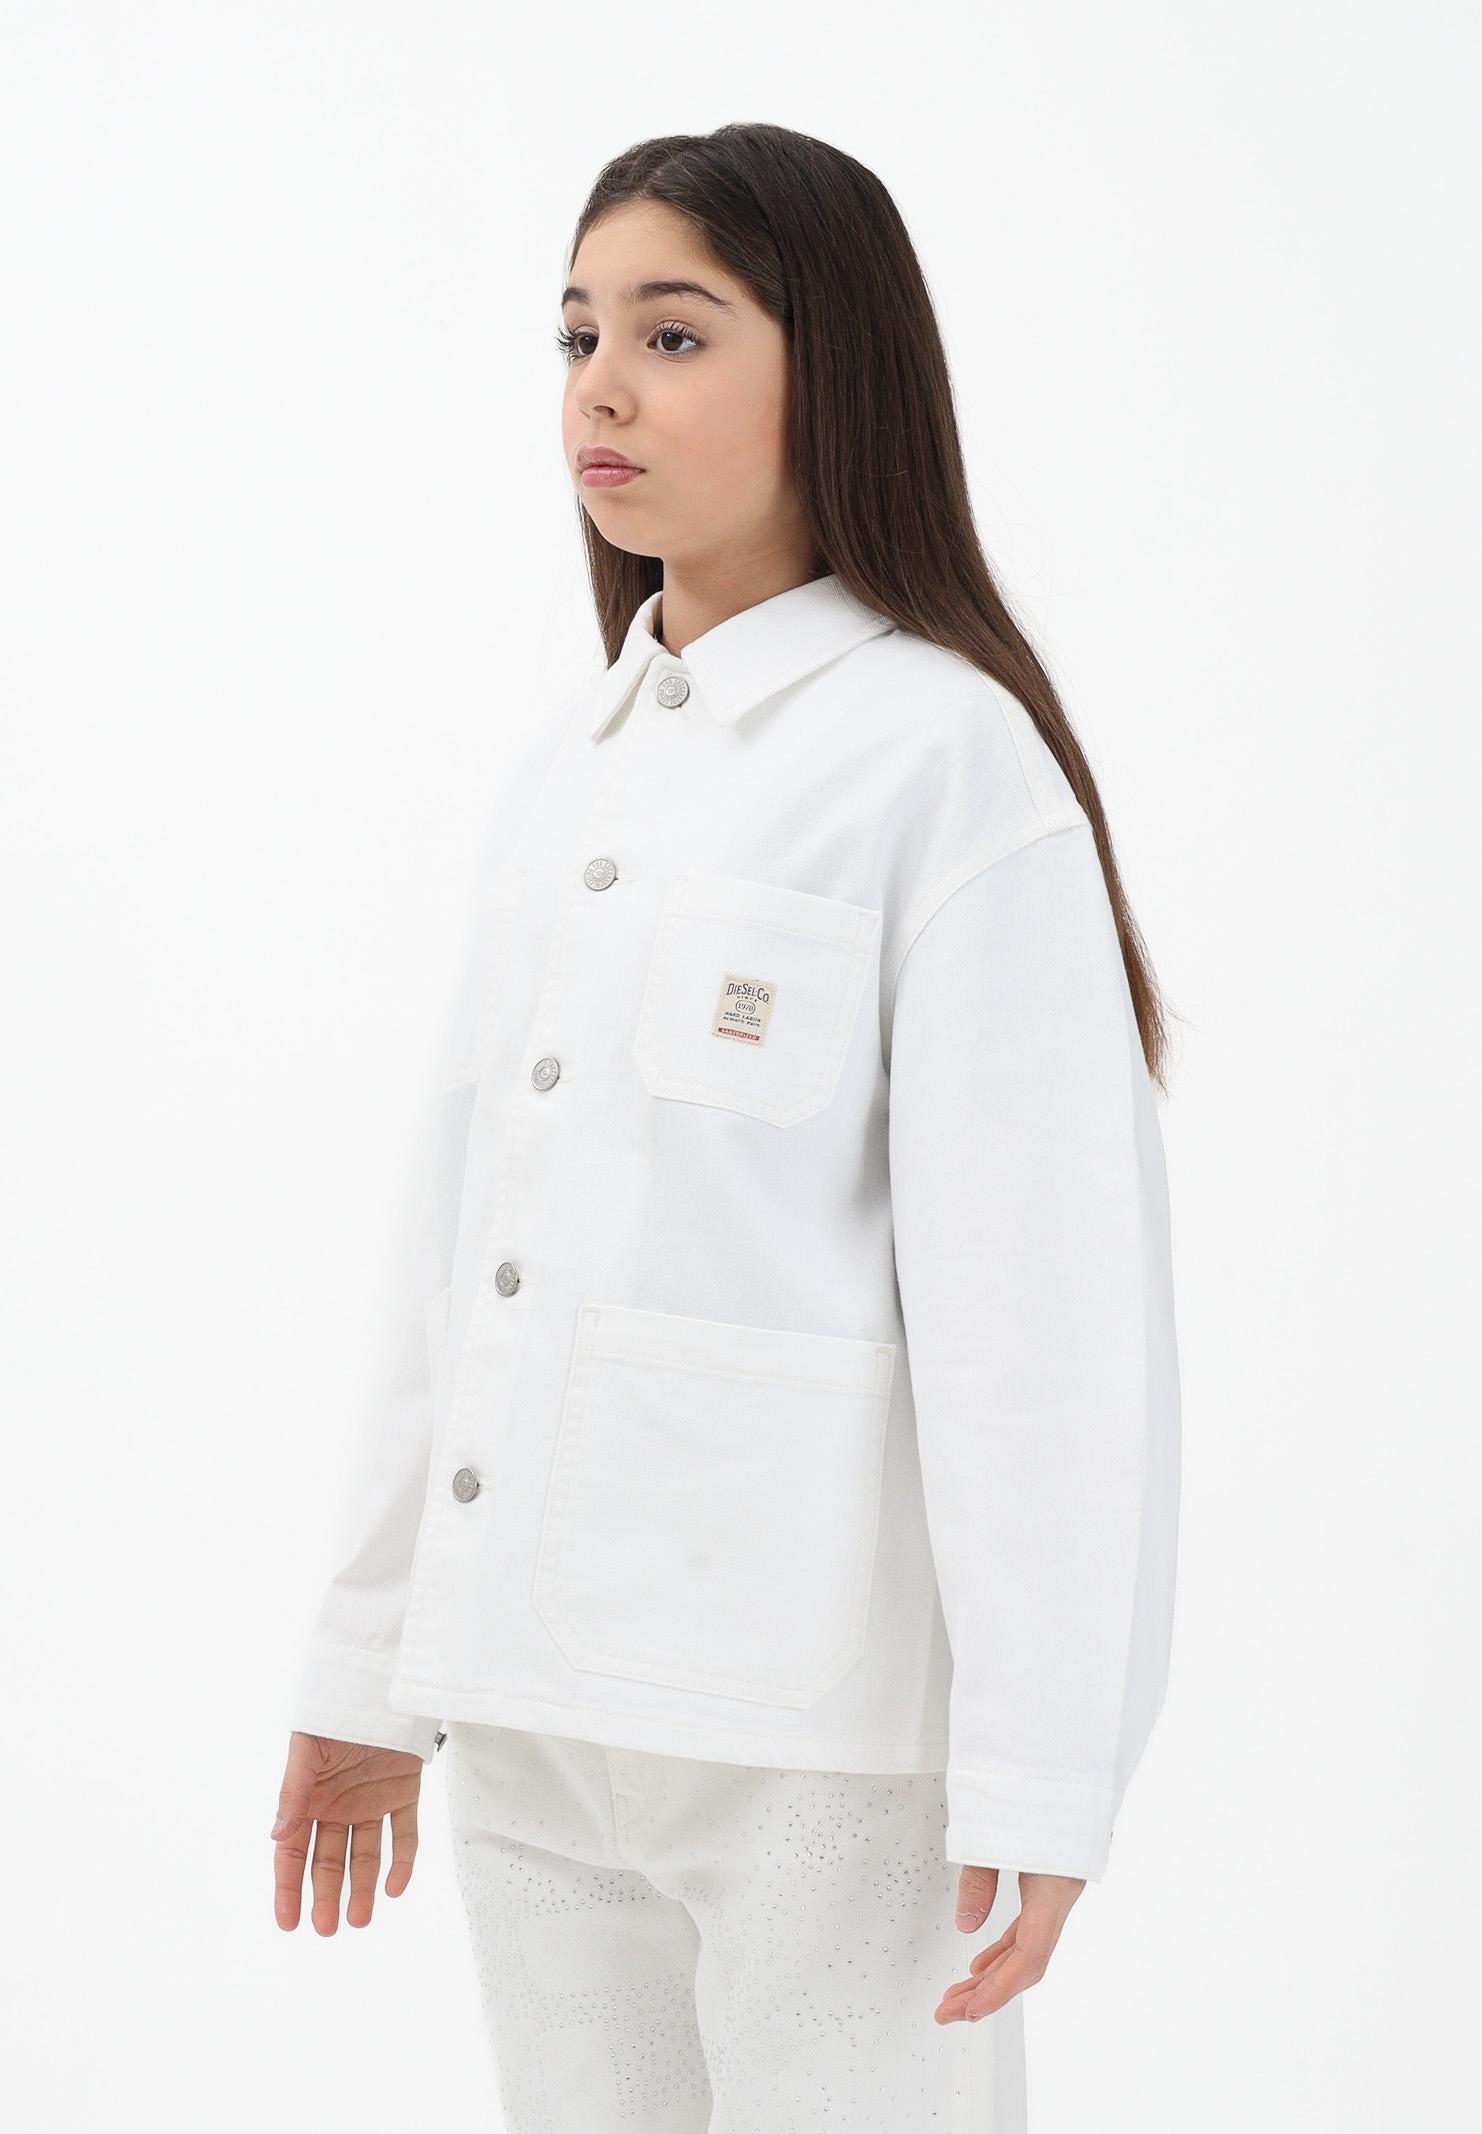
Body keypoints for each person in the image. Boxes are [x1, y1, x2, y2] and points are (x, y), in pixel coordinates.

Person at [269, 121, 1182, 2131]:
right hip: (529, 1712)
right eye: (577, 333)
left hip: (817, 1739)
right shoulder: (563, 777)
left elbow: (1043, 1319)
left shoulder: (943, 765)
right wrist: (367, 1664)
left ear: (833, 367)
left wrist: (1042, 1765)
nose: (600, 385)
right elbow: (456, 1262)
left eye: (671, 335)